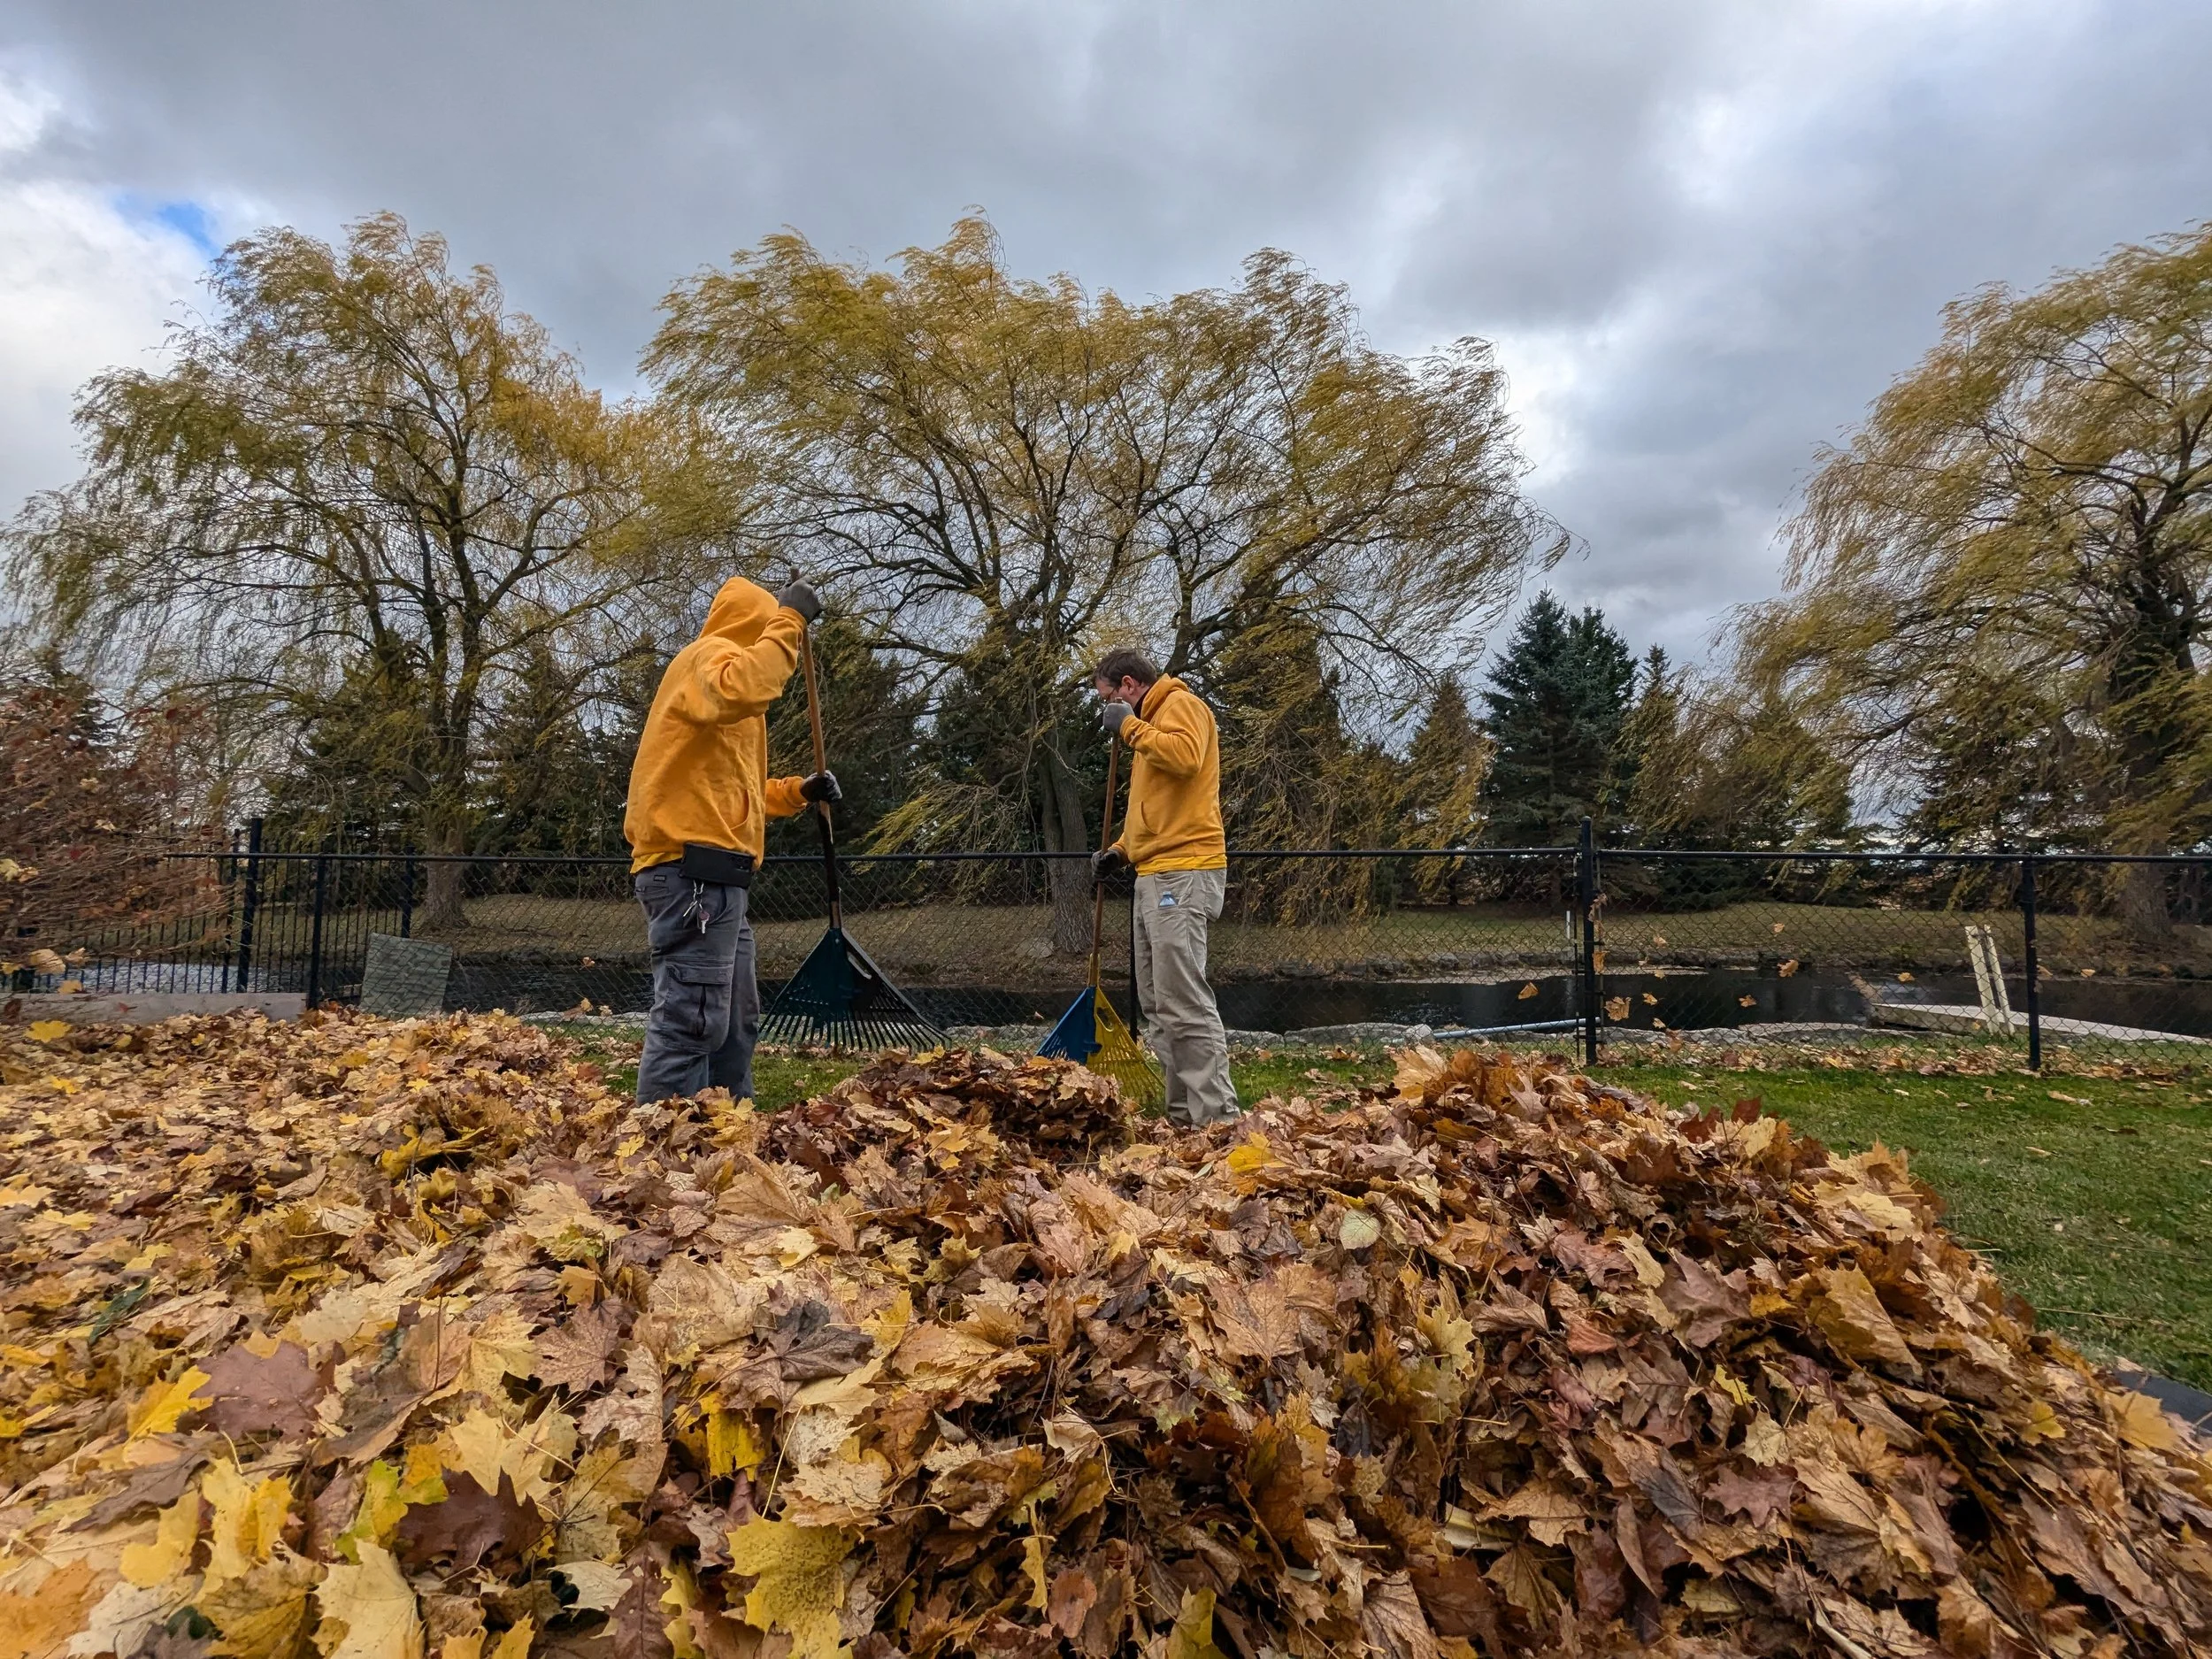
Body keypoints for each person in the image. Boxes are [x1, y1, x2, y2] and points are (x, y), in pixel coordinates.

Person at [623, 574, 837, 1103]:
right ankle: (663, 1153)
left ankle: (725, 1133)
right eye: (769, 629)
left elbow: (736, 794)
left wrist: (797, 792)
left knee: (735, 1023)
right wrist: (790, 620)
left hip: (720, 883)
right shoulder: (707, 659)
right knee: (690, 1022)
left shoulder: (727, 710)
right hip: (691, 876)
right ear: (755, 627)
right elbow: (748, 683)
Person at [1092, 648, 1239, 1125]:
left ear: (1130, 686)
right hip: (1153, 874)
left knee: (1184, 1002)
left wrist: (1129, 728)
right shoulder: (1150, 732)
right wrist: (1120, 850)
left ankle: (1217, 1121)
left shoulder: (1182, 707)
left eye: (1109, 698)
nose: (1109, 710)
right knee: (1158, 1004)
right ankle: (1182, 1116)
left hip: (1184, 871)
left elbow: (1187, 759)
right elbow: (1152, 810)